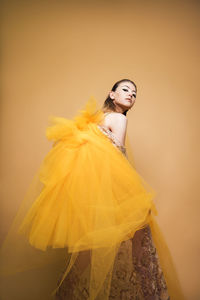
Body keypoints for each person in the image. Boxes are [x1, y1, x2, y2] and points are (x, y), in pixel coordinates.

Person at [0, 79, 185, 300]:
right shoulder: (118, 119)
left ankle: (64, 295)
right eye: (125, 90)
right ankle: (153, 295)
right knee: (141, 244)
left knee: (87, 251)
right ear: (112, 94)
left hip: (91, 196)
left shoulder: (94, 121)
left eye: (135, 94)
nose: (131, 95)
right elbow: (118, 158)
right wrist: (132, 193)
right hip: (113, 189)